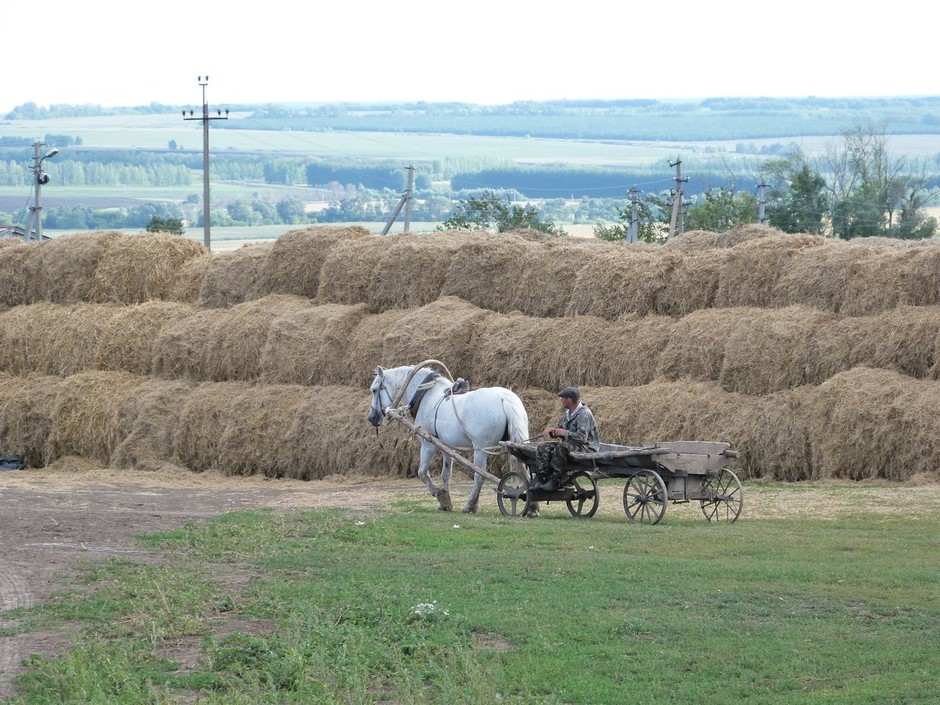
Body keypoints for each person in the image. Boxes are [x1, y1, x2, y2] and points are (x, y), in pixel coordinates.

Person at [529, 386, 600, 493]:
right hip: (572, 444)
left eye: (563, 398)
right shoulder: (568, 414)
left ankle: (555, 480)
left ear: (569, 400)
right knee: (544, 447)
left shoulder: (584, 414)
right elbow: (561, 430)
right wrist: (553, 432)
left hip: (586, 447)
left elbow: (582, 438)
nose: (561, 401)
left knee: (562, 447)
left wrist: (564, 433)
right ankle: (542, 478)